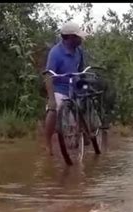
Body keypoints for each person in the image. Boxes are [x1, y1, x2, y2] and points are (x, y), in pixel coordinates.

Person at [43, 22, 88, 156]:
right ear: (70, 37)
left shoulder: (79, 51)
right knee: (53, 110)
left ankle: (85, 132)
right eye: (78, 37)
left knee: (86, 100)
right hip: (60, 88)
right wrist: (51, 99)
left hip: (75, 87)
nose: (81, 40)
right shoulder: (56, 53)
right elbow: (48, 75)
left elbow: (82, 69)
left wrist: (84, 83)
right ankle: (47, 143)